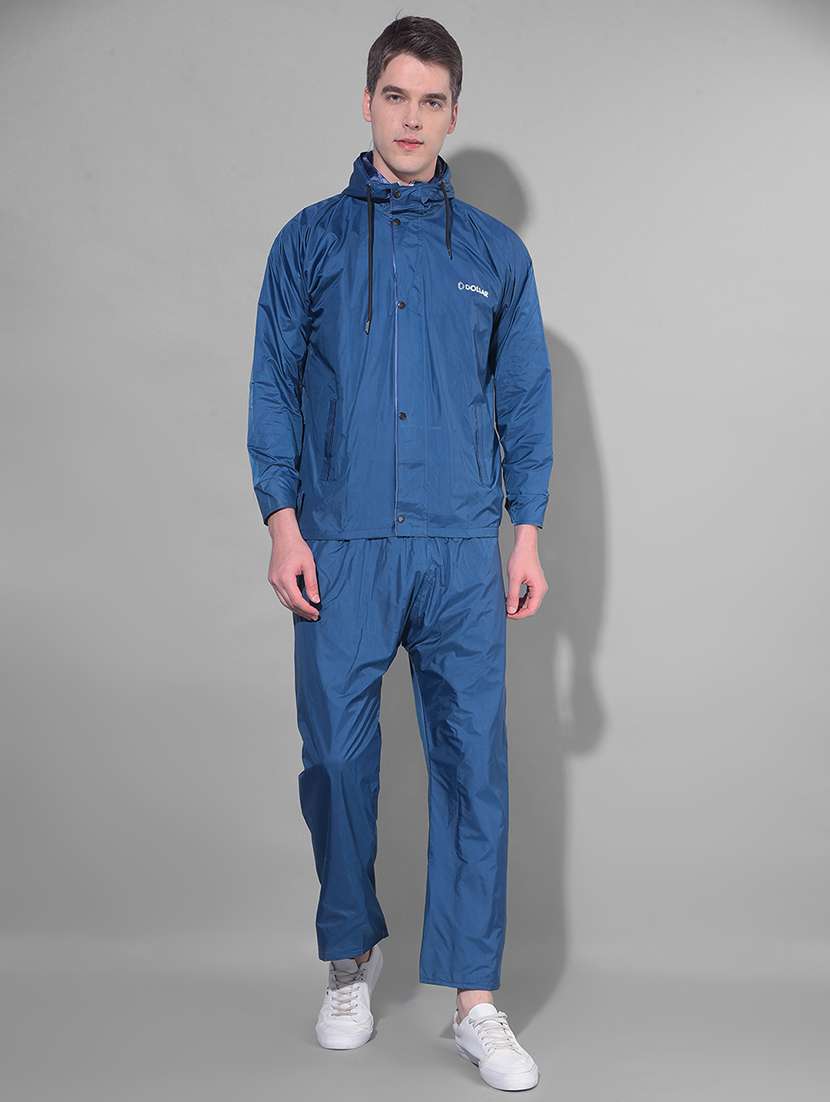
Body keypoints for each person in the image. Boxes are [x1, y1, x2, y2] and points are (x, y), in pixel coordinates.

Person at [247, 15, 552, 1092]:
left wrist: (526, 531)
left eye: (431, 101)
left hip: (462, 548)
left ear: (452, 114)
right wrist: (282, 520)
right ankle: (348, 962)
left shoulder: (495, 256)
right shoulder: (309, 242)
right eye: (395, 96)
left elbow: (523, 397)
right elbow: (272, 384)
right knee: (334, 758)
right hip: (342, 544)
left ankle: (475, 1000)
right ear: (367, 102)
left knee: (473, 768)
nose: (411, 118)